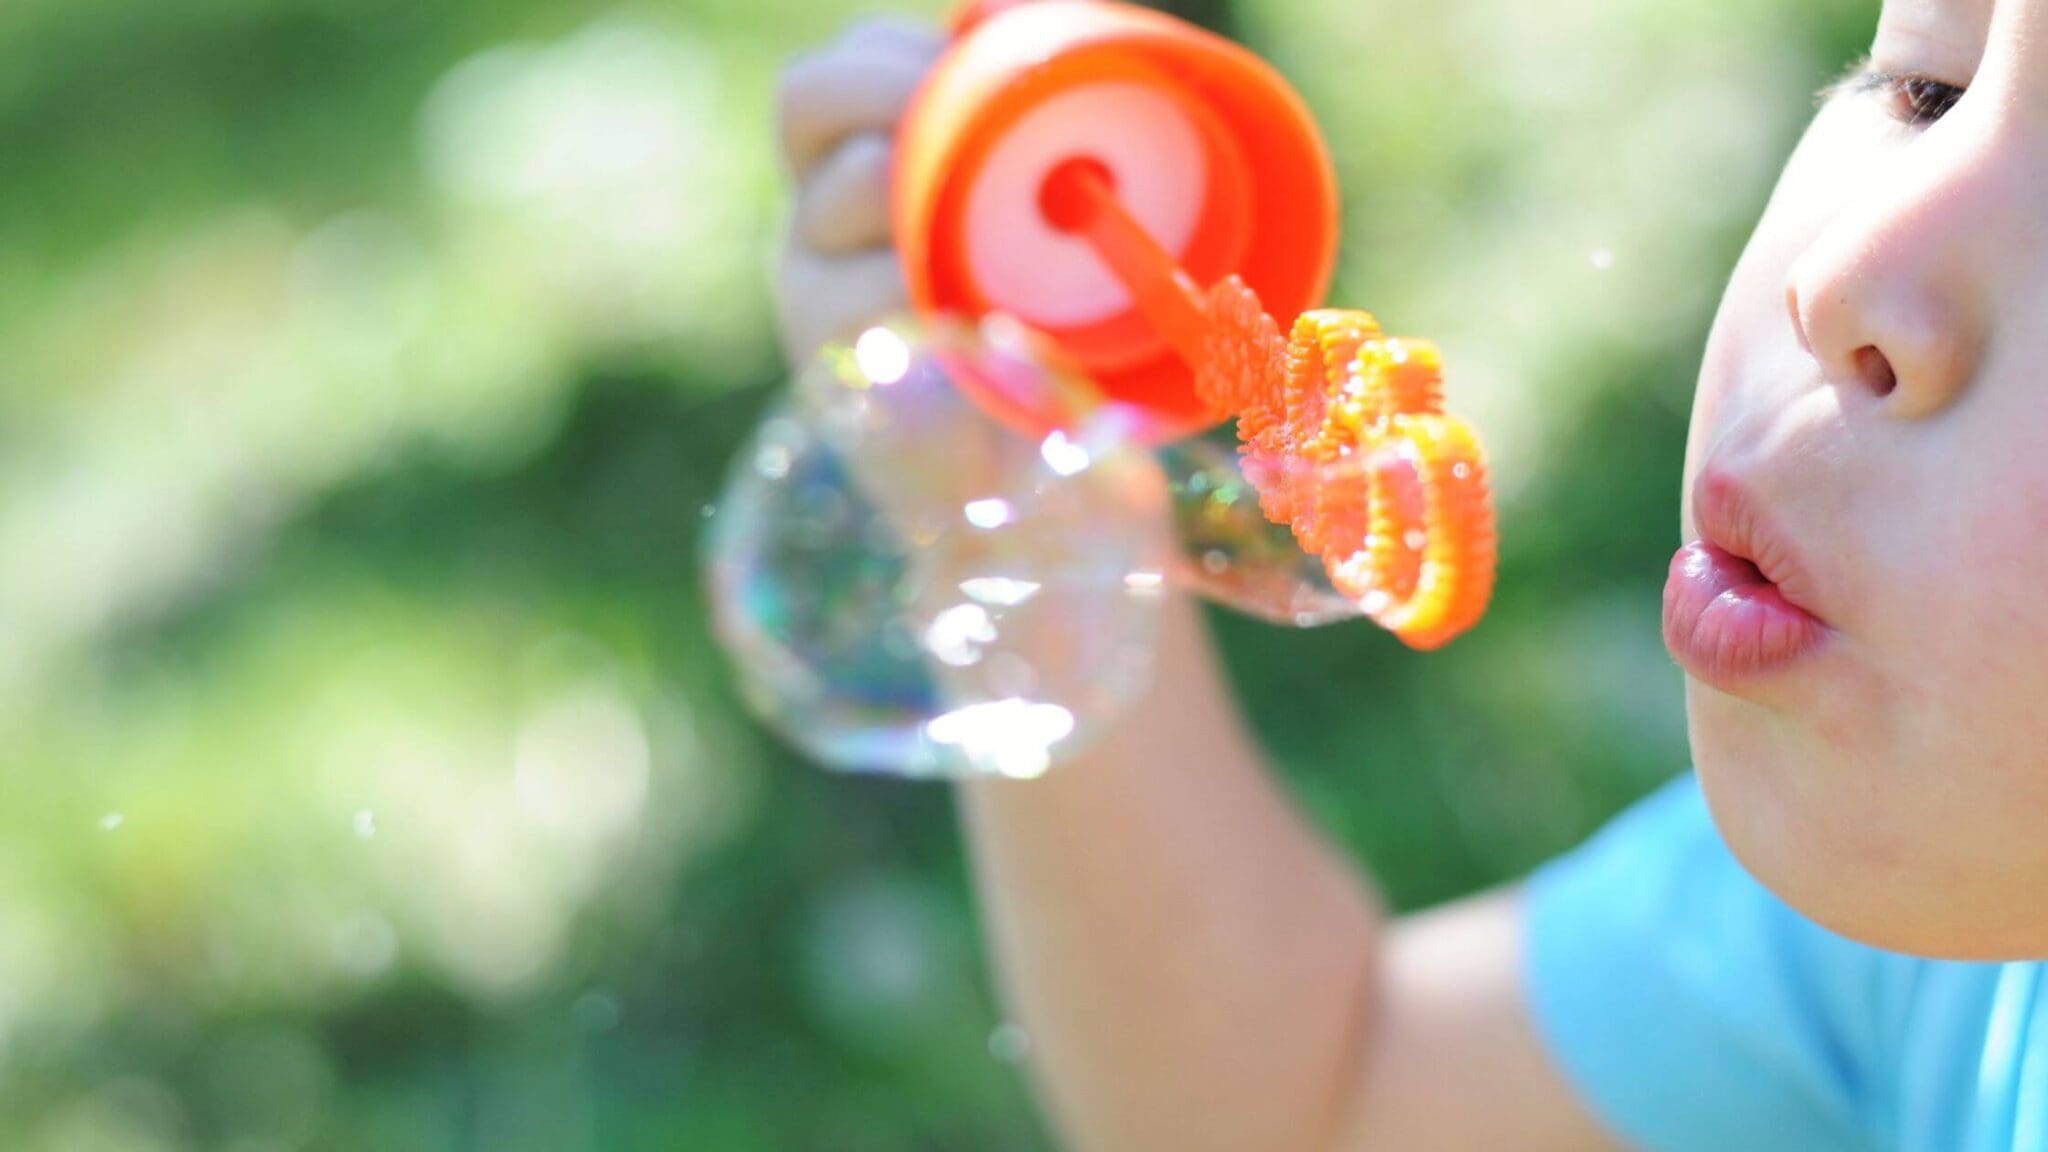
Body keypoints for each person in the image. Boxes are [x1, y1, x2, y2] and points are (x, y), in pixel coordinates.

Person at [771, 1, 2048, 1147]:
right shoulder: (1946, 936)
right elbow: (1304, 1109)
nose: (1842, 274)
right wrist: (1015, 496)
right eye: (1920, 82)